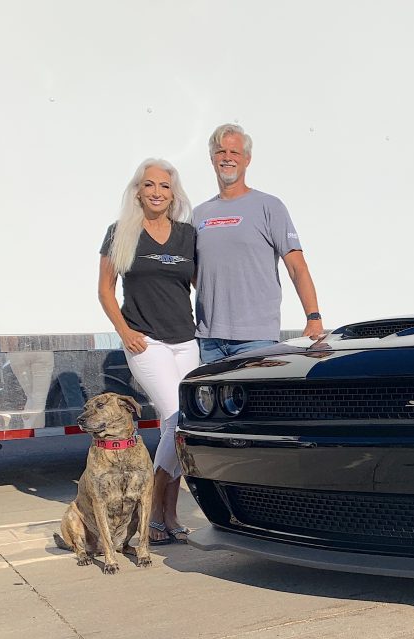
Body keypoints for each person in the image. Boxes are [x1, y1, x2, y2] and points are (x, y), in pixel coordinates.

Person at [97, 159, 198, 545]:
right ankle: (150, 510)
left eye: (165, 186)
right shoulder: (120, 233)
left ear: (174, 194)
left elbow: (199, 284)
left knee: (179, 429)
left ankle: (168, 516)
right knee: (178, 417)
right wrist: (125, 332)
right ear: (137, 190)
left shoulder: (187, 235)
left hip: (185, 341)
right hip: (146, 342)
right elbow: (105, 289)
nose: (157, 191)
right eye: (149, 184)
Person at [193, 123, 324, 364]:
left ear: (247, 159)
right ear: (212, 158)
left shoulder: (269, 206)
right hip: (209, 340)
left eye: (235, 152)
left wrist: (313, 318)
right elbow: (194, 273)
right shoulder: (199, 214)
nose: (227, 158)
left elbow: (297, 266)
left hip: (256, 339)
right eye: (221, 151)